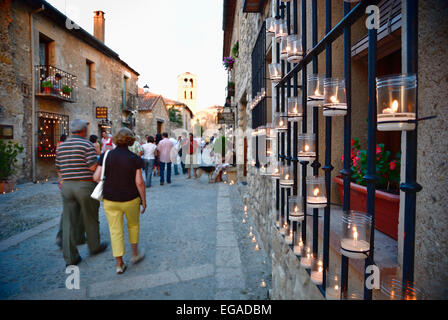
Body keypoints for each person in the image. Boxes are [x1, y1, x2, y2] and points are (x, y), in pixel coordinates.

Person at [55, 119, 108, 266]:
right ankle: (94, 246)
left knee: (68, 220)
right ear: (84, 130)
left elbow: (58, 168)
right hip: (84, 185)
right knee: (90, 216)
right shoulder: (86, 145)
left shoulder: (62, 146)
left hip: (67, 186)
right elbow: (92, 167)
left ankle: (71, 257)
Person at [94, 128, 146, 274]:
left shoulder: (105, 156)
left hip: (110, 199)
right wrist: (144, 201)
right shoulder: (135, 158)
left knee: (115, 231)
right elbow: (140, 183)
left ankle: (119, 264)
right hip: (131, 199)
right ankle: (135, 255)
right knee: (133, 226)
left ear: (116, 139)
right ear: (131, 140)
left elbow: (96, 177)